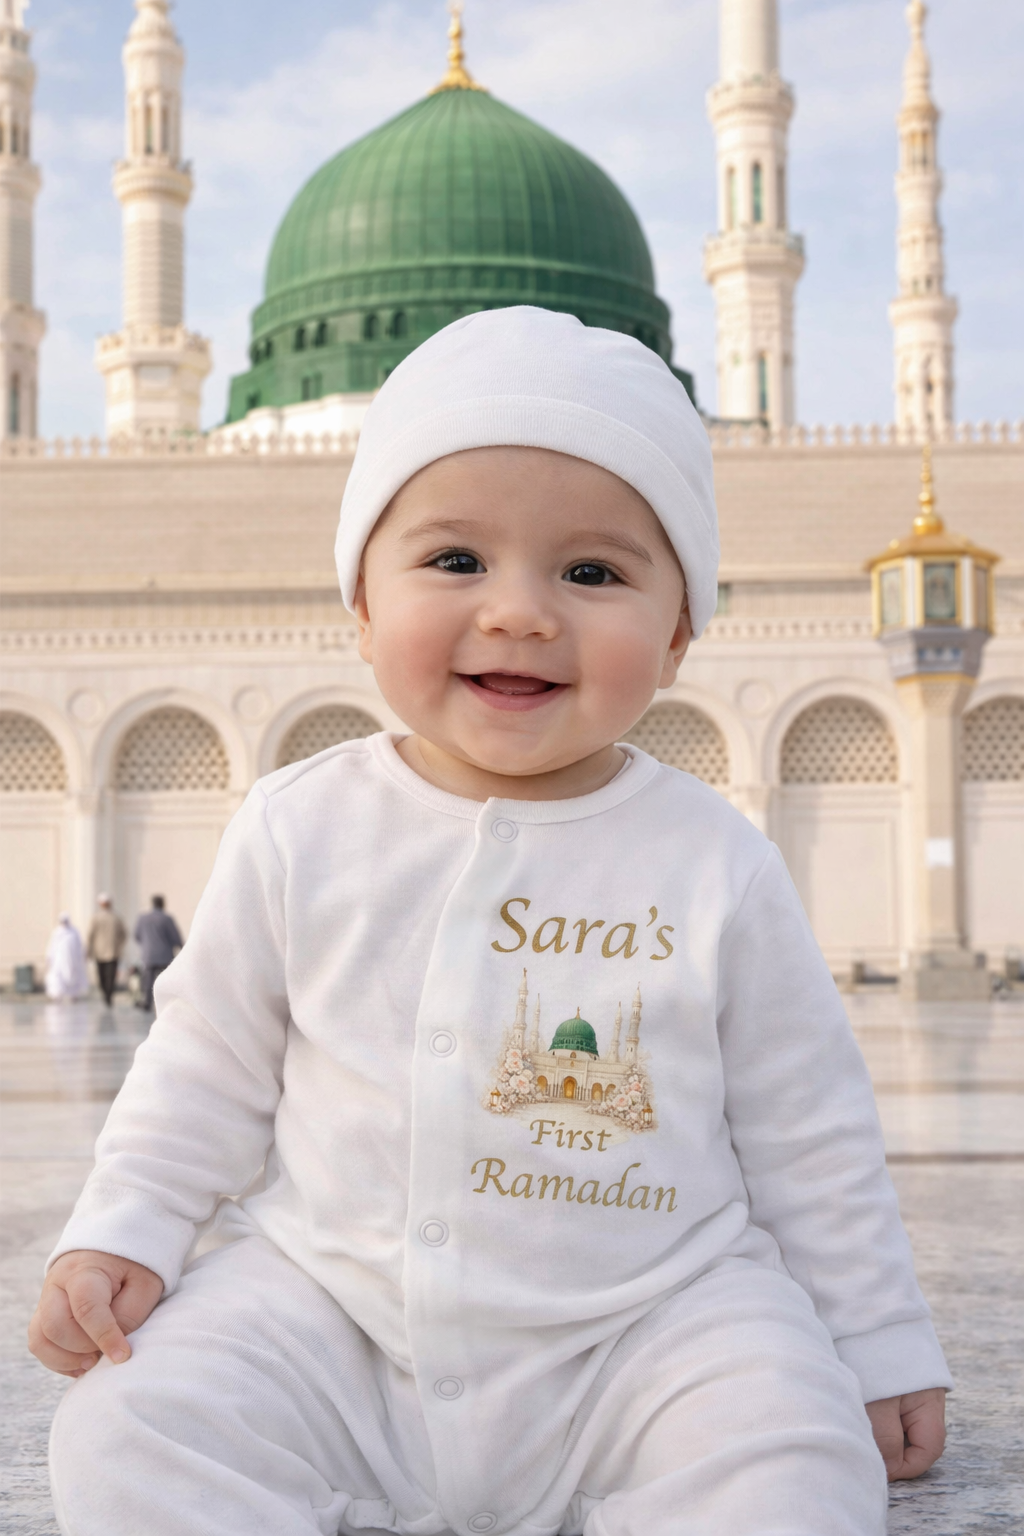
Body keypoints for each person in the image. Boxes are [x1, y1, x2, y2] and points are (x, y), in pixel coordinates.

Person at [30, 310, 950, 1536]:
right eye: (456, 561)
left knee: (791, 1455)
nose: (519, 612)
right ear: (359, 600)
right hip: (331, 1311)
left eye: (592, 573)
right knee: (126, 1431)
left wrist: (875, 1338)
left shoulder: (712, 860)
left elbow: (807, 1128)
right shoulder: (300, 824)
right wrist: (124, 1232)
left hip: (649, 1325)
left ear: (679, 632)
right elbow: (202, 1066)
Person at [132, 896, 183, 1012]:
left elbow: (136, 935)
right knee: (165, 979)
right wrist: (182, 947)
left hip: (148, 954)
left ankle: (147, 1002)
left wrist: (146, 944)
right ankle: (166, 1002)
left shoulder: (143, 918)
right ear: (163, 904)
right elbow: (175, 937)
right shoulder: (166, 919)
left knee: (148, 979)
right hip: (165, 955)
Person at [86, 895, 127, 1008]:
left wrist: (89, 950)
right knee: (108, 976)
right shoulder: (113, 917)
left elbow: (90, 936)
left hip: (104, 952)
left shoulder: (109, 917)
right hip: (110, 952)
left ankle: (107, 995)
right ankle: (107, 995)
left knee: (105, 976)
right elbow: (123, 935)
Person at [43, 914, 89, 1001]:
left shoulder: (74, 931)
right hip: (59, 960)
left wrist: (83, 955)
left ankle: (74, 995)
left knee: (73, 976)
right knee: (57, 976)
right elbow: (51, 946)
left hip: (72, 959)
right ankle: (57, 994)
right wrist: (48, 957)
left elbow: (79, 945)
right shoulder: (56, 932)